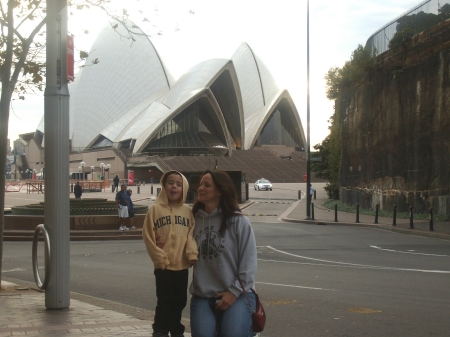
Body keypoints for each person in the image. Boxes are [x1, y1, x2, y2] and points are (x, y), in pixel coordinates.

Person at [189, 169, 257, 337]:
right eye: (200, 185)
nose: (201, 188)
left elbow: (248, 265)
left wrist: (233, 293)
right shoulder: (193, 220)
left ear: (220, 190)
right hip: (203, 295)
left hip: (237, 294)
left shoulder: (239, 222)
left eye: (207, 185)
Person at [142, 170, 198, 337]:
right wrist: (160, 258)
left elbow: (190, 234)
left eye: (179, 184)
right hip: (163, 267)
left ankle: (176, 330)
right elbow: (148, 236)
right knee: (164, 300)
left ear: (184, 188)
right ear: (164, 186)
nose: (174, 186)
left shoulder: (187, 211)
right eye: (170, 183)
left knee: (179, 301)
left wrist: (191, 254)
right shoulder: (154, 210)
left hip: (181, 266)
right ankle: (160, 330)